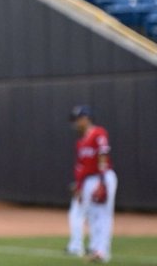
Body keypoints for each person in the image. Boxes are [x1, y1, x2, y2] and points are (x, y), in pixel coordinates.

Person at [67, 105, 117, 263]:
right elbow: (81, 167)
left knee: (103, 215)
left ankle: (102, 251)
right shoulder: (80, 142)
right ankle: (96, 248)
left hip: (102, 176)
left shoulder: (99, 133)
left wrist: (102, 180)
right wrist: (79, 187)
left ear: (86, 118)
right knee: (93, 216)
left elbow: (103, 153)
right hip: (88, 180)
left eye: (77, 119)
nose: (75, 123)